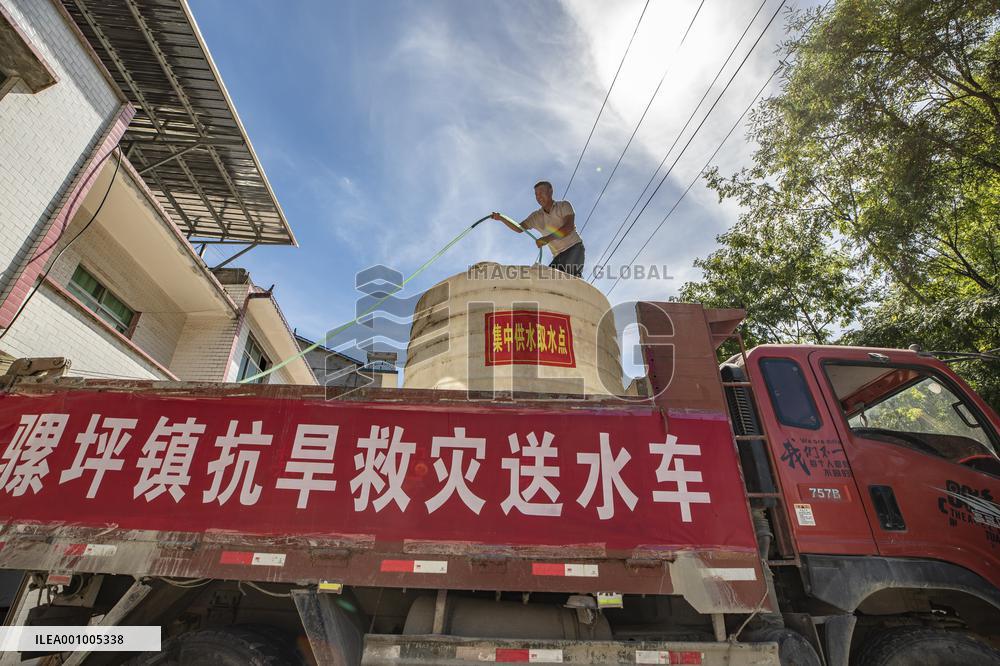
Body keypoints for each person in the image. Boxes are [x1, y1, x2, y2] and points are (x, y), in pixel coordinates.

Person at [492, 181, 585, 278]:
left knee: (569, 279)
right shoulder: (536, 216)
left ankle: (580, 284)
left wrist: (546, 239)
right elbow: (519, 228)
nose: (539, 197)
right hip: (558, 256)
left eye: (541, 193)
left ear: (550, 191)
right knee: (547, 281)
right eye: (536, 194)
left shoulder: (564, 205)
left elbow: (568, 227)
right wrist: (502, 218)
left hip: (574, 248)